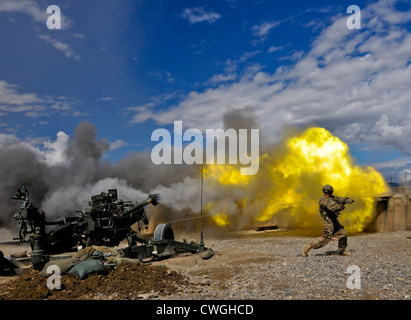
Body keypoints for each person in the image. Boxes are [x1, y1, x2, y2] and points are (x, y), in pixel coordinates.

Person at [302, 184, 354, 257]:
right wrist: (342, 206)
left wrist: (347, 200)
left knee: (343, 234)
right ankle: (308, 247)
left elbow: (340, 199)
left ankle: (341, 251)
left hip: (333, 220)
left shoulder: (332, 197)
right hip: (328, 221)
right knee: (325, 238)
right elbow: (333, 208)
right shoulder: (323, 201)